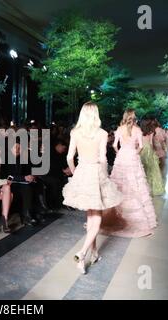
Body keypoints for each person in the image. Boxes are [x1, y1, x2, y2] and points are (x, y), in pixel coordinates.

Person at [62, 102, 122, 274]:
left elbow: (69, 157)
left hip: (82, 172)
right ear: (95, 114)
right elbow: (103, 159)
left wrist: (75, 174)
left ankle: (93, 253)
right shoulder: (102, 133)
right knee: (96, 219)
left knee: (91, 217)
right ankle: (82, 253)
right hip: (96, 173)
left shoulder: (75, 132)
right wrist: (105, 177)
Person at [101, 109, 157, 238]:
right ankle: (136, 218)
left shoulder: (120, 129)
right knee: (135, 185)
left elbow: (115, 145)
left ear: (125, 116)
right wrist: (134, 153)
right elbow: (141, 146)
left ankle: (115, 214)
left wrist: (120, 152)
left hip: (122, 157)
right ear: (134, 117)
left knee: (119, 185)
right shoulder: (138, 130)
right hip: (132, 157)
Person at [140, 118, 165, 196]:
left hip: (142, 150)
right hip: (149, 150)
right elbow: (151, 143)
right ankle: (151, 188)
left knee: (143, 169)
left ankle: (143, 189)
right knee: (152, 170)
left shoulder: (140, 131)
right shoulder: (151, 132)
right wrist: (153, 151)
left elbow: (138, 143)